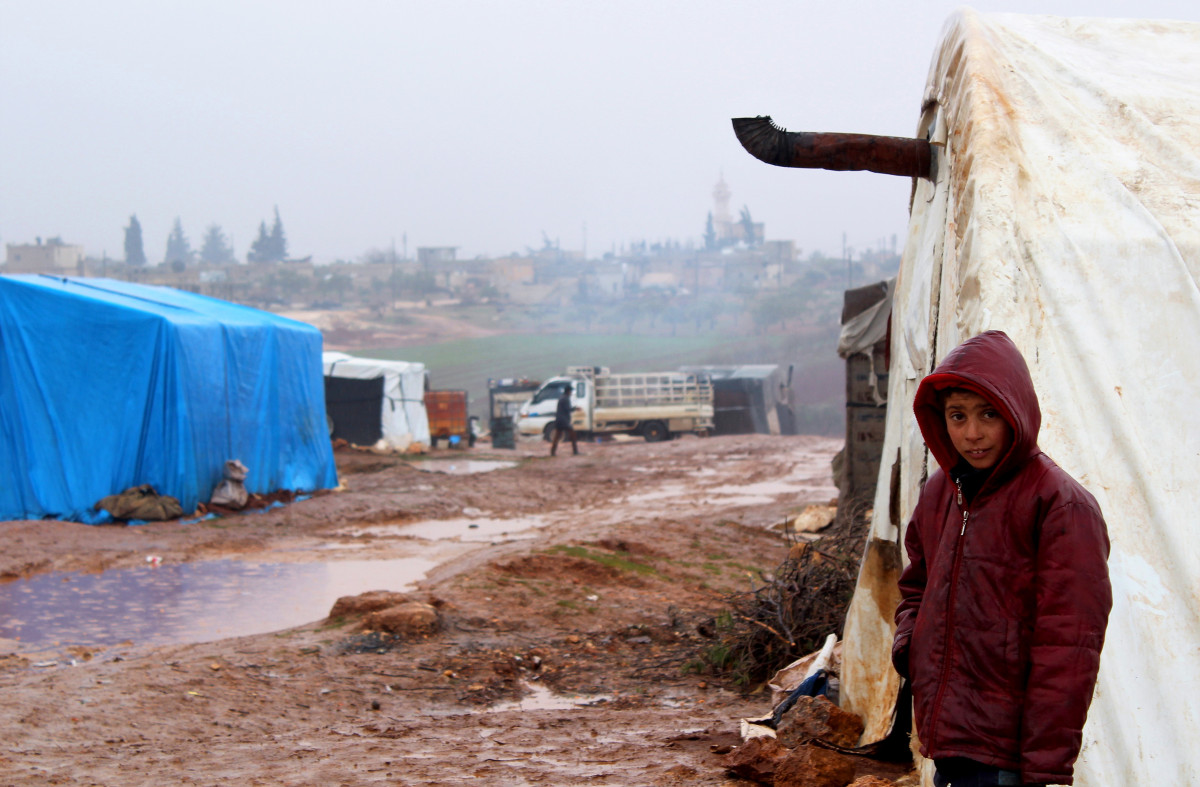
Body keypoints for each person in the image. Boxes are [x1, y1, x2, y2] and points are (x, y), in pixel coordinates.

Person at [892, 330, 1112, 787]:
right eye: (957, 416)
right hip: (947, 738)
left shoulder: (1059, 504)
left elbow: (1069, 648)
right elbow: (917, 585)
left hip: (1006, 755)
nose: (972, 433)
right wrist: (910, 646)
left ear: (1016, 413)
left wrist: (1044, 765)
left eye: (988, 414)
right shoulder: (941, 493)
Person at [549, 383, 578, 456]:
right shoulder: (566, 399)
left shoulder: (562, 397)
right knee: (573, 435)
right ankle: (575, 451)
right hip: (563, 421)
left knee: (557, 437)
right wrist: (575, 408)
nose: (571, 393)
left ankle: (552, 452)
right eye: (571, 391)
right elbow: (568, 409)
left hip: (559, 420)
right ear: (568, 391)